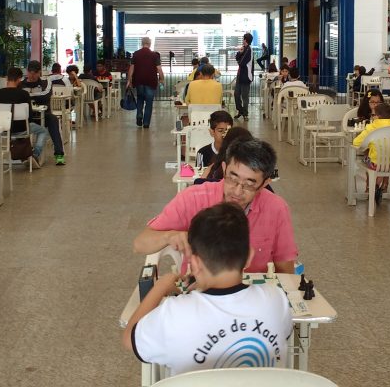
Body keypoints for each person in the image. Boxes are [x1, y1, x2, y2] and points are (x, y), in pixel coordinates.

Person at [123, 203, 292, 377]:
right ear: (249, 256)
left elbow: (129, 339)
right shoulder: (276, 299)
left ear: (195, 264)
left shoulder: (174, 313)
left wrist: (160, 286)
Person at [133, 138, 297, 274]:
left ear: (264, 184)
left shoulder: (276, 208)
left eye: (249, 184)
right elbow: (139, 244)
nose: (237, 191)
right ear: (224, 168)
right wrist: (168, 236)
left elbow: (285, 268)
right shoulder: (193, 198)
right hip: (198, 293)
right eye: (232, 178)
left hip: (252, 294)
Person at [0, 67, 51, 167]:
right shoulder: (24, 94)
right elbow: (30, 116)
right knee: (43, 131)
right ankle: (34, 154)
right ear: (19, 79)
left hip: (3, 129)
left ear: (7, 78)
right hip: (22, 128)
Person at [352, 102, 390, 206]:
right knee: (385, 159)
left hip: (376, 165)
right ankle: (379, 186)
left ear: (377, 116)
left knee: (367, 157)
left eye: (373, 115)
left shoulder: (371, 128)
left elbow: (356, 142)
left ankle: (372, 187)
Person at [20, 61, 66, 166]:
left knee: (54, 120)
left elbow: (45, 95)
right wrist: (34, 96)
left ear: (39, 72)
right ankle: (25, 154)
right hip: (26, 117)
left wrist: (27, 95)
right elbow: (18, 95)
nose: (32, 75)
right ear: (27, 71)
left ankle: (59, 154)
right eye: (30, 72)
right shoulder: (21, 83)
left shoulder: (46, 81)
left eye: (35, 73)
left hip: (45, 115)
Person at [127, 37, 164, 129]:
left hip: (138, 80)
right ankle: (146, 123)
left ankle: (139, 114)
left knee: (140, 99)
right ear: (150, 44)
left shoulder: (136, 54)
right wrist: (162, 79)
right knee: (149, 102)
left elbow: (132, 68)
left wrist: (129, 80)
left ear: (142, 43)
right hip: (151, 81)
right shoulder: (154, 55)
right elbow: (159, 69)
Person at [234, 33, 254, 120]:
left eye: (243, 39)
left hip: (246, 75)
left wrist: (239, 60)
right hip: (240, 74)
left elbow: (241, 62)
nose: (243, 40)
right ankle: (240, 111)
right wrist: (240, 52)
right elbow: (237, 57)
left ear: (245, 40)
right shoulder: (244, 48)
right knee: (236, 94)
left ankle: (245, 113)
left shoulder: (249, 49)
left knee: (245, 96)